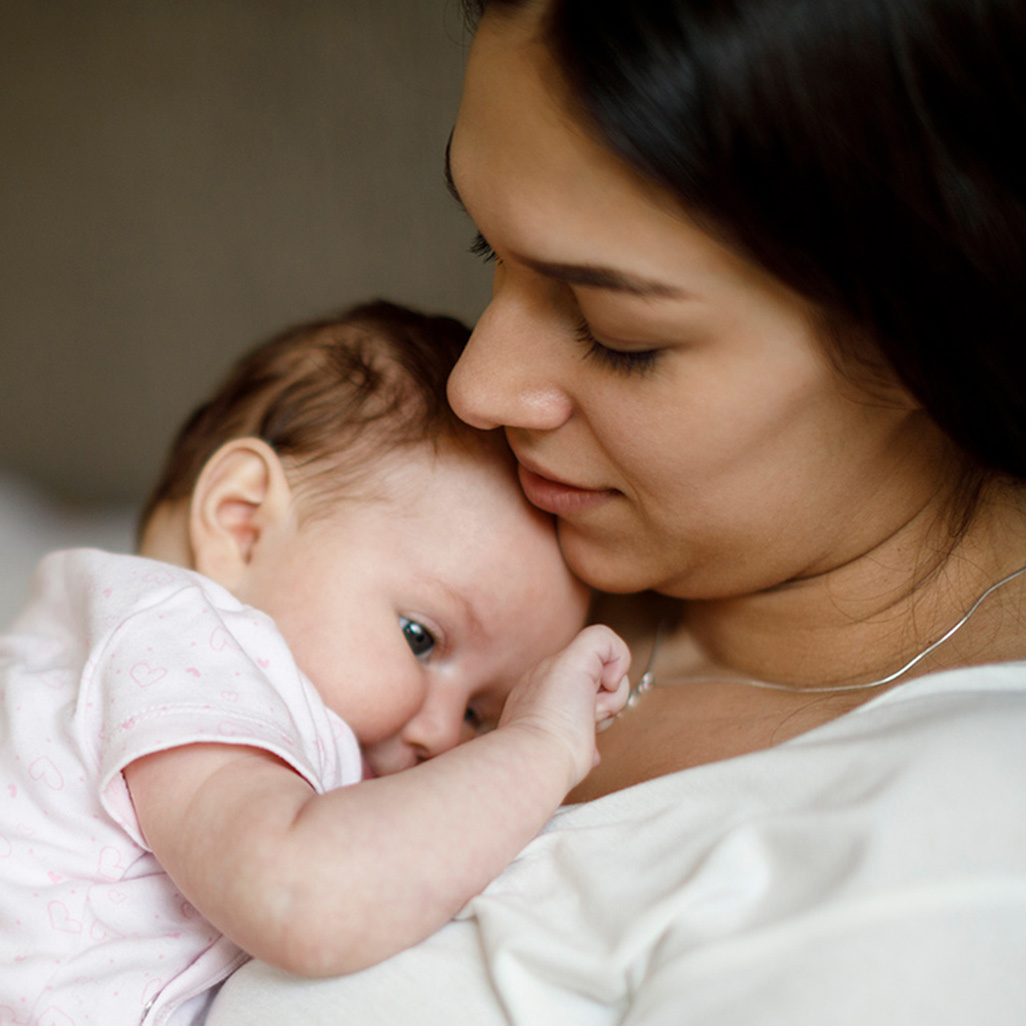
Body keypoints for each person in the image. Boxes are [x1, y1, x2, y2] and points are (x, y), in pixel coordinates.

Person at [207, 1, 1026, 1024]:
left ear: (934, 325)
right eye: (482, 248)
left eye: (615, 331)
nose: (478, 390)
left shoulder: (969, 843)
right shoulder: (454, 524)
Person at [0, 299, 633, 1025]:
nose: (444, 740)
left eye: (479, 715)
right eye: (420, 638)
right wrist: (539, 745)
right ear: (242, 524)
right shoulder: (184, 643)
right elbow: (300, 895)